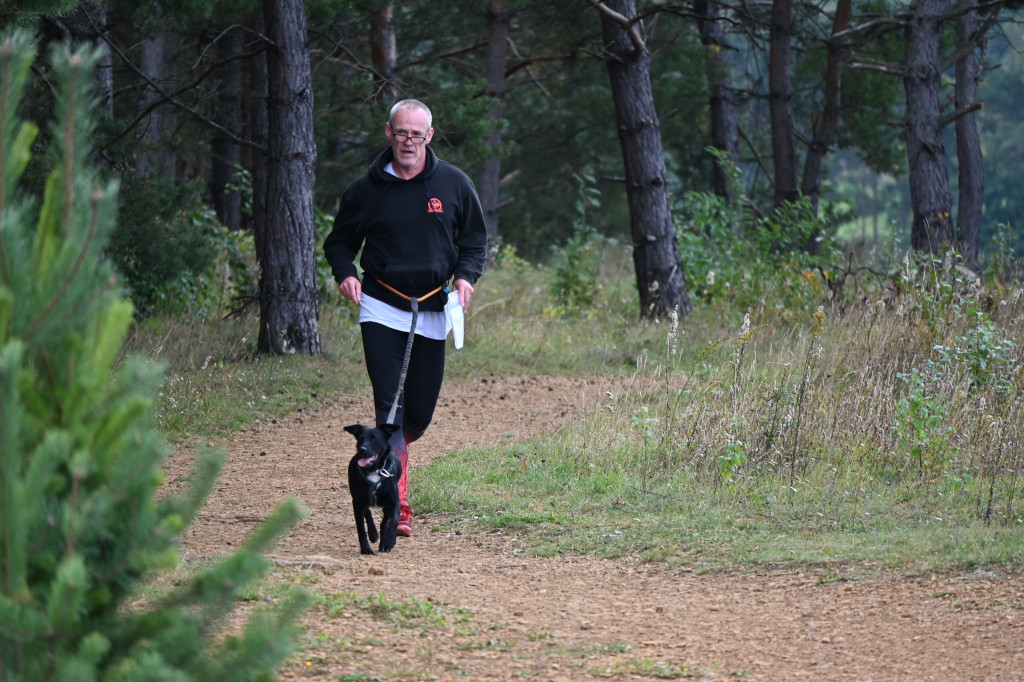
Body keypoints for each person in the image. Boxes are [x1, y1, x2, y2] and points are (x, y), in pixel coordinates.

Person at [323, 99, 488, 537]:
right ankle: (397, 503)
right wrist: (346, 273)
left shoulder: (454, 183)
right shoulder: (366, 189)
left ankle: (387, 448)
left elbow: (474, 242)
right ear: (389, 133)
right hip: (381, 306)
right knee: (390, 407)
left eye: (417, 134)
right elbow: (339, 243)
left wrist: (465, 277)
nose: (408, 141)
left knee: (417, 415)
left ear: (429, 136)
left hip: (433, 307)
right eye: (401, 133)